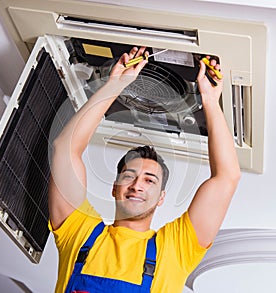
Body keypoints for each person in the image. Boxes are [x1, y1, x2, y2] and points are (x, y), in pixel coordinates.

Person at [48, 47, 241, 293]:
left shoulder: (175, 248)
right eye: (129, 176)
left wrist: (211, 102)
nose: (137, 185)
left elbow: (227, 177)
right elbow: (64, 149)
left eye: (150, 180)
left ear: (161, 198)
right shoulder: (78, 232)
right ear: (114, 188)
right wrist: (114, 85)